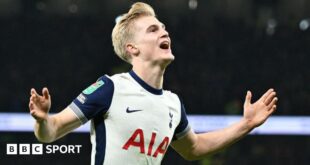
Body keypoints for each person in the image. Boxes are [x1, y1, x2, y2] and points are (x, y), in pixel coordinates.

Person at [28, 2, 278, 165]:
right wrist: (42, 119)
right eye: (153, 30)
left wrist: (246, 125)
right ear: (132, 48)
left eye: (164, 28)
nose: (164, 33)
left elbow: (195, 148)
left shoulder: (173, 103)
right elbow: (51, 132)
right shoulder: (110, 88)